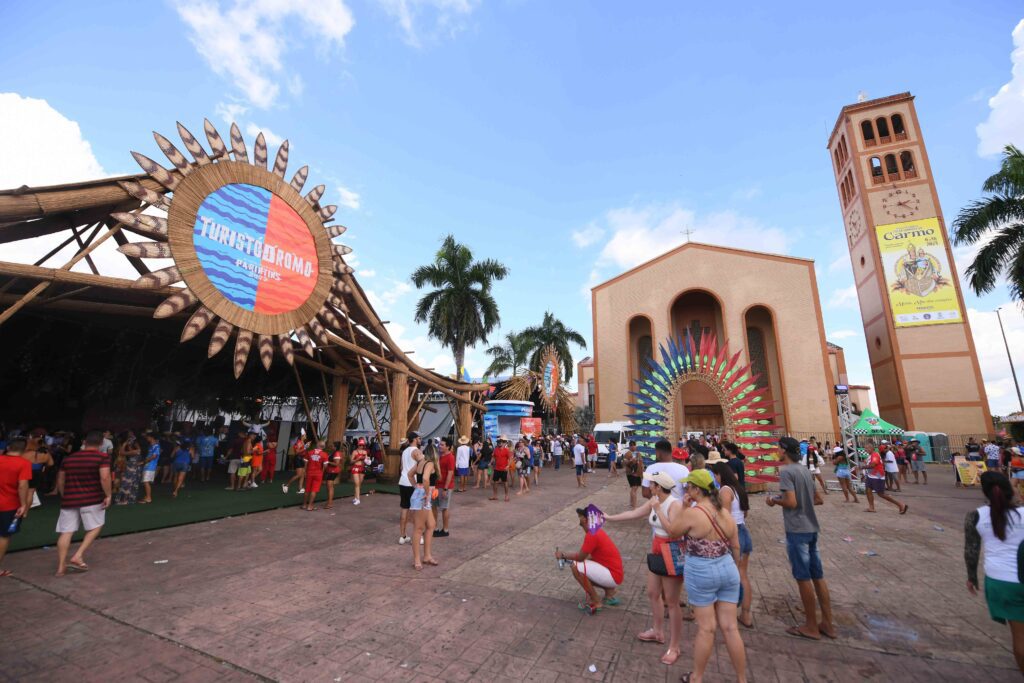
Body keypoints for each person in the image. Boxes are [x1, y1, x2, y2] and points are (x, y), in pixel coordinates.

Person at [659, 469, 747, 683]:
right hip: (728, 569)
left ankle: (697, 677)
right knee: (730, 627)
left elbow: (673, 531)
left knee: (707, 629)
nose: (686, 490)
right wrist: (732, 569)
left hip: (701, 571)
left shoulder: (693, 513)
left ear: (697, 490)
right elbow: (736, 548)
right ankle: (741, 679)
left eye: (688, 486)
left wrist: (685, 507)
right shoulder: (725, 514)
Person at [605, 470, 685, 665]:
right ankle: (658, 631)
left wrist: (658, 509)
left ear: (658, 487)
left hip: (671, 552)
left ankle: (675, 646)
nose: (648, 487)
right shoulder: (654, 501)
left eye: (651, 484)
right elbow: (634, 514)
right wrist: (610, 517)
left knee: (672, 603)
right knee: (652, 592)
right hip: (656, 551)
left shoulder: (673, 504)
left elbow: (674, 531)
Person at [766, 436, 835, 641]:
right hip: (812, 527)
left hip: (797, 529)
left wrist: (773, 500)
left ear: (783, 450)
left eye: (778, 448)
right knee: (818, 576)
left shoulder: (786, 471)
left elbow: (791, 502)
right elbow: (818, 499)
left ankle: (811, 626)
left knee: (803, 577)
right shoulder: (805, 470)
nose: (776, 451)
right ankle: (828, 624)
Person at [965, 471, 1024, 674]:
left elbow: (971, 551)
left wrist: (972, 577)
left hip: (1001, 582)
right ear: (1011, 489)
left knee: (1020, 638)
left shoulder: (976, 516)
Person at [54, 430, 112, 577]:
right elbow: (104, 477)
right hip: (92, 499)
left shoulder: (68, 459)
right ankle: (77, 555)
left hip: (69, 499)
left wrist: (64, 494)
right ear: (101, 444)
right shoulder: (102, 457)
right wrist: (108, 495)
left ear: (84, 443)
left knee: (66, 532)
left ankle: (61, 567)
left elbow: (60, 480)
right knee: (96, 526)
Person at [556, 507, 624, 615]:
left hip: (613, 575)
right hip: (615, 574)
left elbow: (580, 558)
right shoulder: (595, 532)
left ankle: (596, 602)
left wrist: (563, 555)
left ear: (585, 519)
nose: (579, 518)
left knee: (576, 567)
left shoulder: (592, 534)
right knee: (584, 566)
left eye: (581, 516)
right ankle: (609, 592)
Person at [712, 460, 754, 630]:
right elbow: (745, 514)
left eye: (715, 474)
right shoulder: (739, 489)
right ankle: (746, 615)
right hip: (743, 530)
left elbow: (725, 517)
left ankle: (724, 615)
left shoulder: (725, 490)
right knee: (742, 574)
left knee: (725, 577)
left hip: (732, 533)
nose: (714, 478)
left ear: (720, 475)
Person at [0, 438, 31, 577]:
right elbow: (23, 485)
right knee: (4, 536)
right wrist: (24, 504)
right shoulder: (23, 463)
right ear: (24, 450)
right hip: (9, 505)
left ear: (8, 447)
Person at [407, 446, 438, 570]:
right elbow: (425, 478)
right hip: (424, 496)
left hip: (422, 494)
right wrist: (425, 491)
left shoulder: (421, 462)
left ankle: (427, 556)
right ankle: (417, 560)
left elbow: (410, 475)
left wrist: (417, 487)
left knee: (431, 525)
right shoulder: (429, 463)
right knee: (419, 528)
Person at [864, 441, 908, 514]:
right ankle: (871, 507)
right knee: (868, 490)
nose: (865, 450)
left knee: (881, 494)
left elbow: (873, 465)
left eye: (867, 448)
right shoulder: (870, 455)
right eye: (865, 448)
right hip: (871, 476)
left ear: (872, 448)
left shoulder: (875, 455)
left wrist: (861, 467)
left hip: (877, 477)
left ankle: (901, 505)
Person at [398, 432, 422, 544]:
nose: (420, 439)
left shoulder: (404, 451)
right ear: (414, 439)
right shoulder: (416, 451)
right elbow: (423, 465)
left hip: (403, 481)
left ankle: (402, 536)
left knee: (404, 508)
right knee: (415, 511)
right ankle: (416, 537)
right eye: (419, 438)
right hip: (412, 483)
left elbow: (402, 467)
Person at [22, 435, 54, 513]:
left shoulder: (25, 454)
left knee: (22, 490)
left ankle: (21, 508)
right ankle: (25, 512)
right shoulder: (46, 454)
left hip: (25, 472)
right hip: (37, 473)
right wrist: (43, 465)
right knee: (31, 492)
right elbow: (51, 463)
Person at [434, 437, 455, 537]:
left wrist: (446, 488)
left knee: (444, 507)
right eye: (440, 444)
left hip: (445, 486)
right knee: (434, 506)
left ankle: (445, 529)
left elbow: (450, 473)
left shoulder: (450, 457)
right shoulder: (439, 456)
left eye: (442, 445)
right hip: (437, 485)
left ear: (448, 447)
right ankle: (435, 528)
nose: (440, 446)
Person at [114, 432, 143, 505]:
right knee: (132, 484)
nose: (128, 447)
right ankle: (129, 499)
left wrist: (124, 444)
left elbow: (121, 452)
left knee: (126, 484)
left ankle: (123, 500)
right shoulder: (137, 450)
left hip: (131, 470)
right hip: (134, 469)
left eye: (130, 446)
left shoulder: (135, 451)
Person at [302, 440, 328, 511]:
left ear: (317, 445)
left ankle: (304, 505)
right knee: (314, 490)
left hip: (309, 473)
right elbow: (325, 466)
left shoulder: (309, 452)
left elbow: (305, 463)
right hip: (318, 474)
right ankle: (310, 506)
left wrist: (305, 471)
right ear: (323, 447)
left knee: (307, 489)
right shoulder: (324, 454)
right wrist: (322, 471)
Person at [623, 440, 644, 508]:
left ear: (636, 446)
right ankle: (634, 507)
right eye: (631, 445)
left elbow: (641, 463)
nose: (632, 447)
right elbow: (624, 463)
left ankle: (631, 503)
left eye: (633, 445)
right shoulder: (627, 454)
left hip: (638, 473)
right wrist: (630, 461)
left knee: (634, 488)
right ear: (629, 446)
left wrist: (641, 473)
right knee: (634, 488)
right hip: (631, 473)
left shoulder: (638, 453)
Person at [140, 431, 160, 504]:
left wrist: (143, 462)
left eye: (148, 437)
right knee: (145, 481)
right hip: (147, 465)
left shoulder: (156, 446)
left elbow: (154, 456)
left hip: (150, 466)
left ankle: (148, 498)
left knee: (146, 481)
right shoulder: (151, 445)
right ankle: (147, 496)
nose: (147, 438)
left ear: (151, 437)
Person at [324, 443, 344, 509]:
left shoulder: (337, 453)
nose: (331, 447)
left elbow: (336, 464)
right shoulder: (334, 453)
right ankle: (329, 502)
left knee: (330, 487)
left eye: (332, 446)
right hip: (330, 471)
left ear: (335, 447)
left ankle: (330, 503)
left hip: (333, 471)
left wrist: (328, 462)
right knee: (329, 486)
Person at [350, 438, 367, 505]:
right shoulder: (354, 452)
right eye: (360, 445)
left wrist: (367, 460)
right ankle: (358, 499)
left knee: (359, 484)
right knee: (357, 484)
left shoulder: (365, 452)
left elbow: (366, 461)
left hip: (362, 468)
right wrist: (357, 459)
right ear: (358, 445)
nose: (361, 446)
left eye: (362, 445)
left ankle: (355, 497)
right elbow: (351, 461)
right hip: (355, 468)